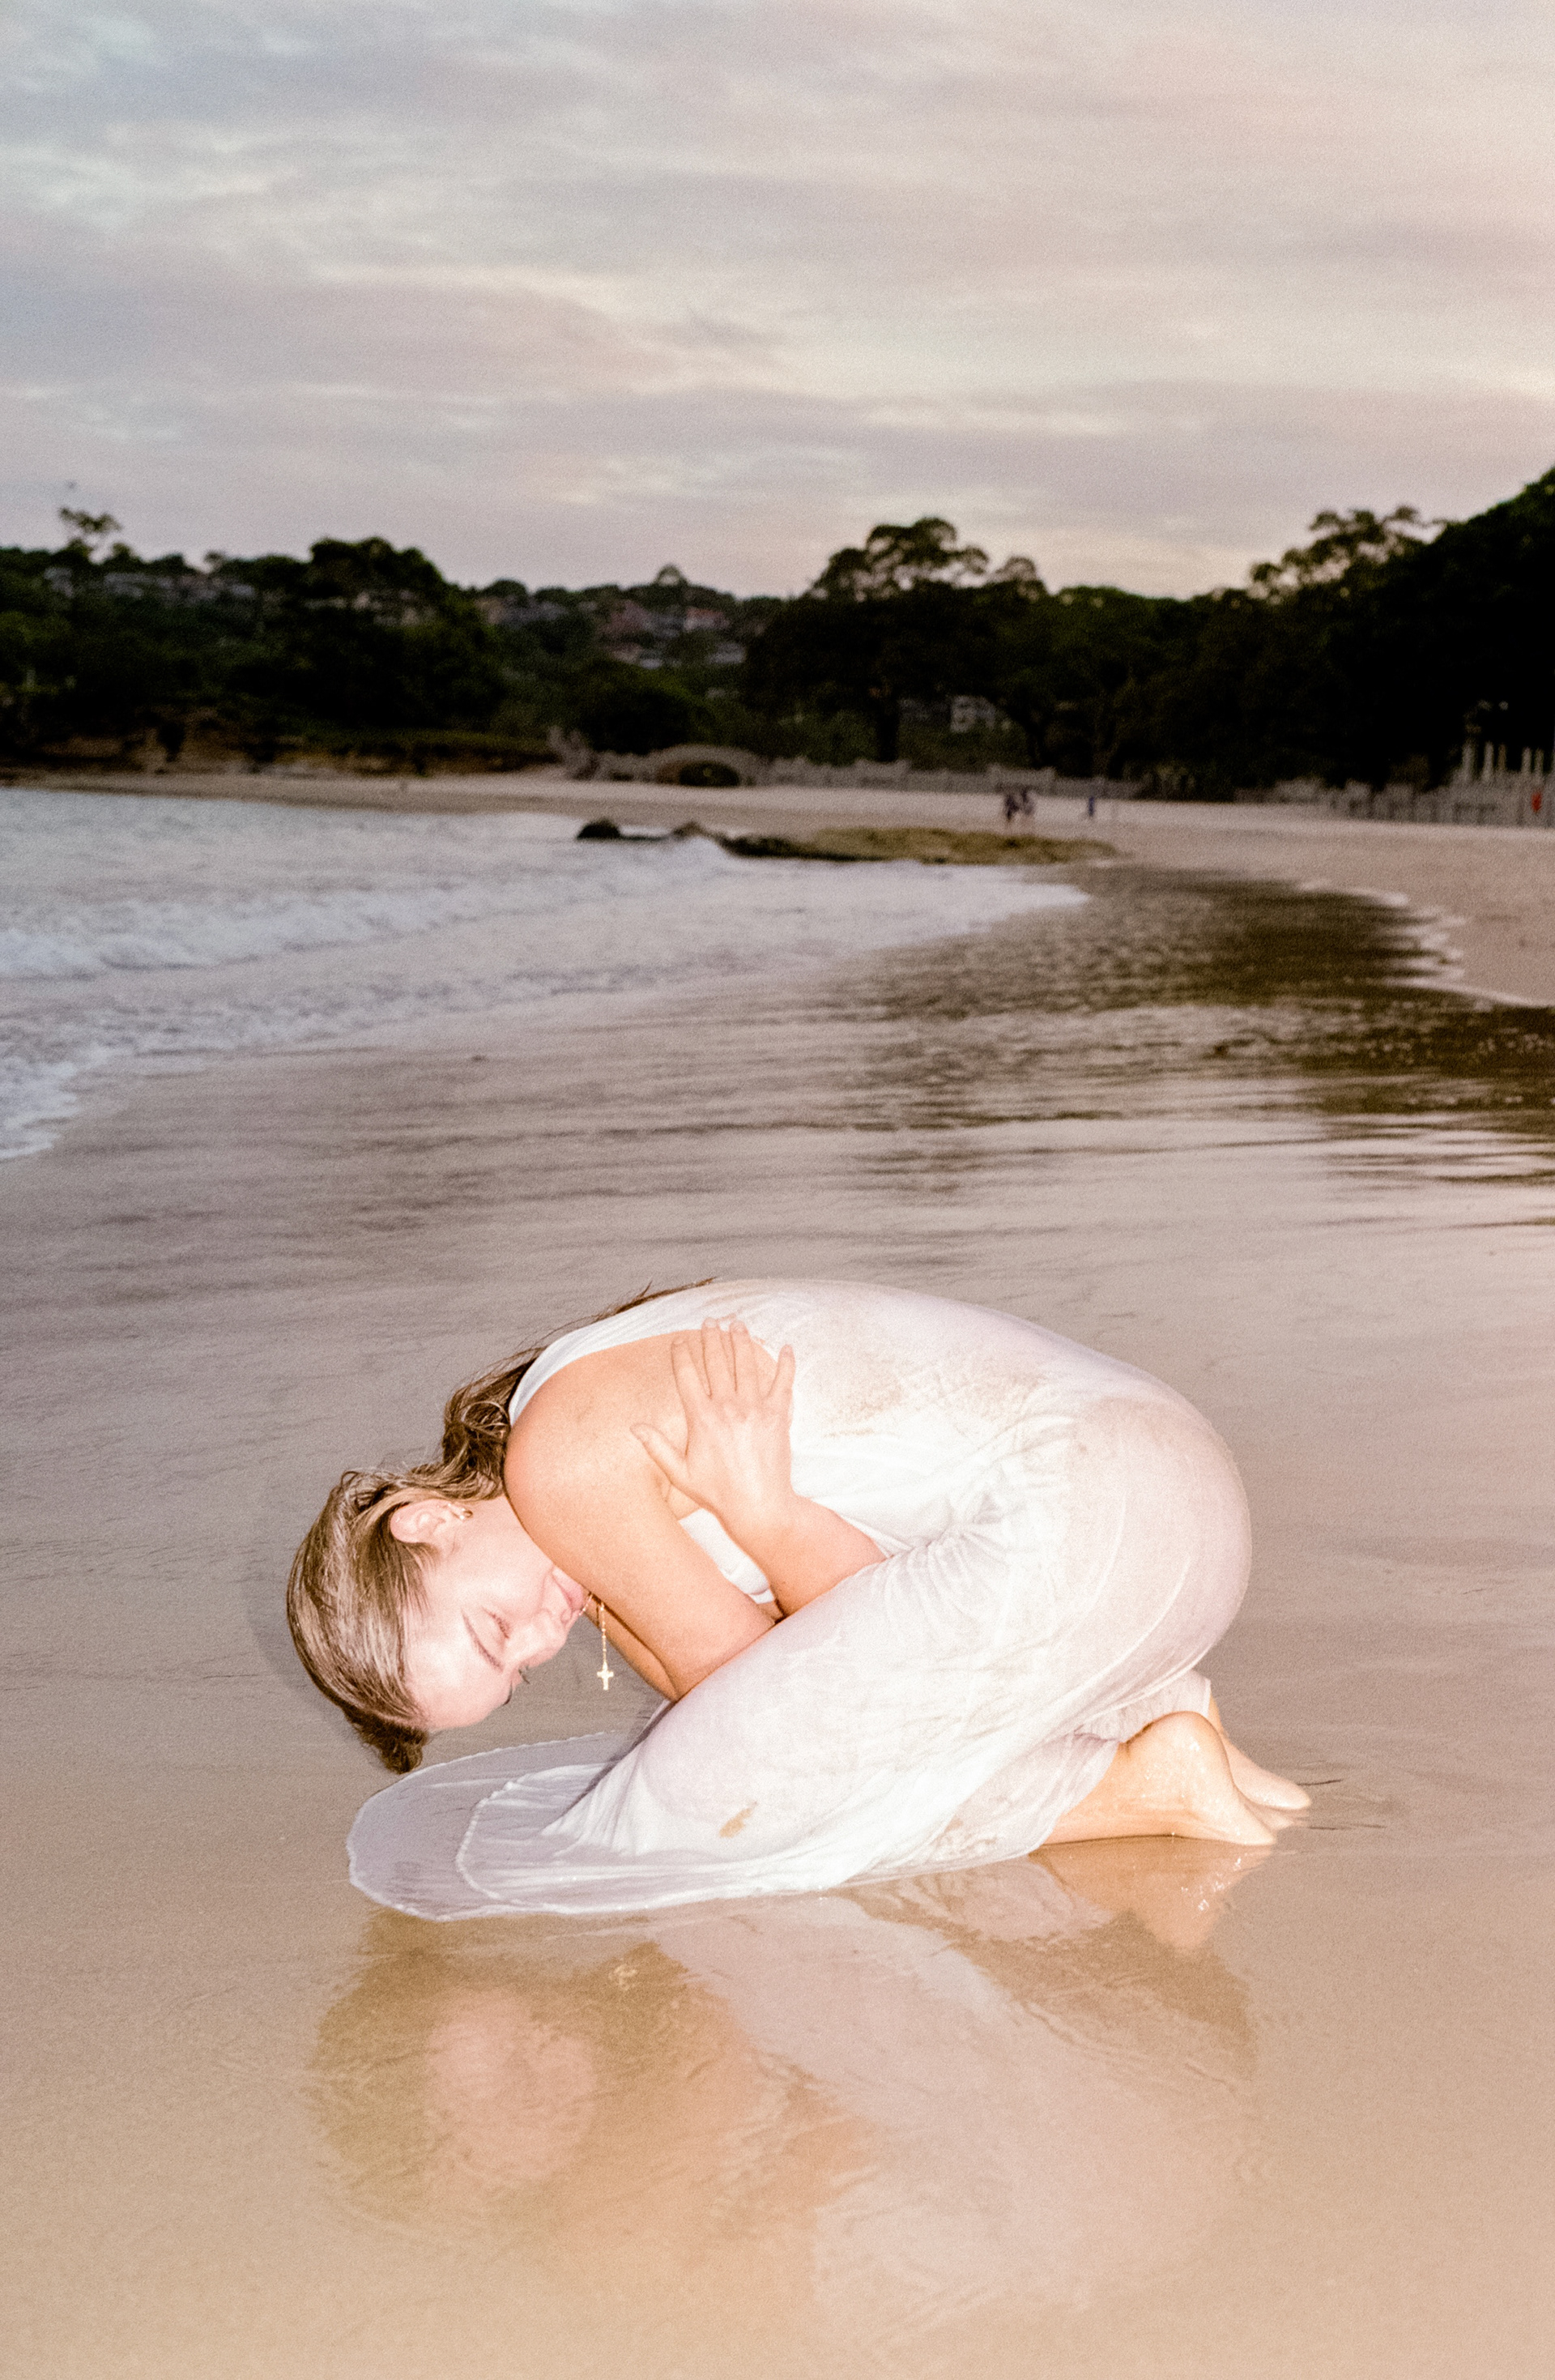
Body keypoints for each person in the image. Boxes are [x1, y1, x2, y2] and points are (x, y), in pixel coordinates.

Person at [288, 1280, 1307, 1917]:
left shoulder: (560, 1465)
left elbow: (784, 1710)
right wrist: (766, 1521)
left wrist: (769, 1523)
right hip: (1164, 1514)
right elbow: (819, 1664)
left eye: (492, 1629)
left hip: (1097, 1524)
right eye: (517, 1672)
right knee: (721, 1749)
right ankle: (1150, 1725)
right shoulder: (571, 1462)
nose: (541, 1639)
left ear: (423, 1521)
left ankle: (1134, 1789)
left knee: (688, 1815)